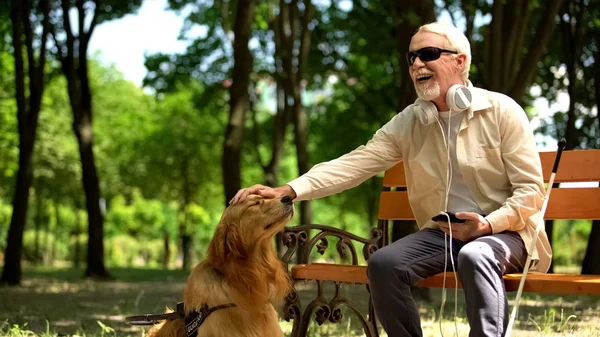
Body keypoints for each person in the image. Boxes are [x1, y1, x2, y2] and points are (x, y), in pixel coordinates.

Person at [230, 21, 551, 337]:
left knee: (475, 253)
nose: (416, 64)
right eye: (411, 57)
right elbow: (354, 164)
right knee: (383, 264)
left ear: (460, 60)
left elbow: (531, 191)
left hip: (506, 233)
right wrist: (288, 190)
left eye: (428, 53)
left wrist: (487, 225)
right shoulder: (411, 121)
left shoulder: (502, 111)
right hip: (443, 234)